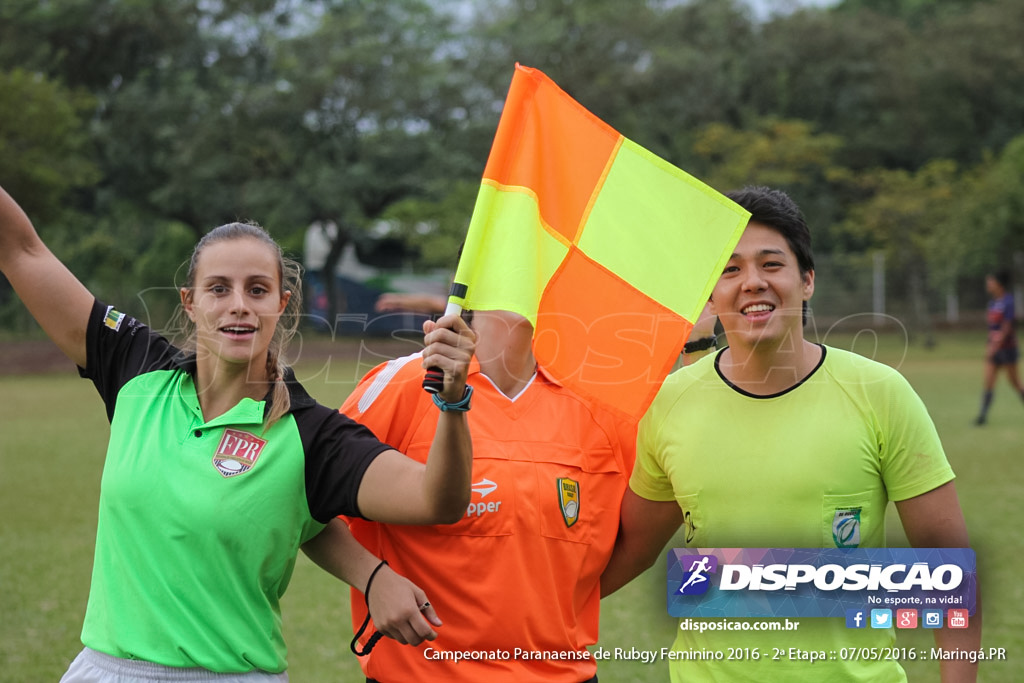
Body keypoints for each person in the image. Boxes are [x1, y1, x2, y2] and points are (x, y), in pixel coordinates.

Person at [0, 184, 475, 681]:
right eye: (219, 288)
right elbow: (19, 247)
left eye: (257, 289)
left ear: (281, 303)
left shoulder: (309, 433)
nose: (239, 305)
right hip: (104, 669)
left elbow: (435, 500)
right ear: (189, 301)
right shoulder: (134, 369)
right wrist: (370, 573)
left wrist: (453, 401)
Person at [601, 186, 981, 682]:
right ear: (710, 294)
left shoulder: (879, 393)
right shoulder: (668, 402)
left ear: (807, 281)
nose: (752, 282)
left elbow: (948, 568)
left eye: (771, 264)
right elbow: (630, 549)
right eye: (731, 269)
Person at [333, 306, 636, 682]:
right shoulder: (402, 386)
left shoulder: (603, 407)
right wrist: (373, 578)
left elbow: (638, 541)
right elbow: (310, 500)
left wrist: (552, 606)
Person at [974, 269, 1023, 425]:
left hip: (1007, 349)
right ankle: (982, 417)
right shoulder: (993, 303)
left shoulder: (1008, 301)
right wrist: (990, 344)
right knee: (988, 382)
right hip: (994, 349)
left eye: (991, 281)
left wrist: (996, 344)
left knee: (1014, 382)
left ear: (999, 284)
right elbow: (992, 328)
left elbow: (1007, 327)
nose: (988, 284)